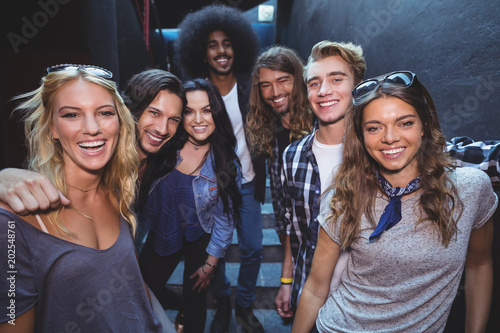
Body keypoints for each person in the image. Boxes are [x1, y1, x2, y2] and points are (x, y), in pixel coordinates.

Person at [293, 70, 497, 333]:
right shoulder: (345, 196)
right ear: (362, 136)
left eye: (405, 123)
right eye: (374, 128)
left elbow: (479, 263)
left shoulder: (469, 189)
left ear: (424, 125)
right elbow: (315, 287)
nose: (389, 137)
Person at [0, 65, 162, 332]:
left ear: (119, 122)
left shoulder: (119, 195)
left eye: (105, 113)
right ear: (52, 128)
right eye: (72, 115)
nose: (92, 128)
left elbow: (132, 285)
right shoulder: (13, 221)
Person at [175, 5, 264, 332]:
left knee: (253, 247)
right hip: (212, 185)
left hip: (249, 183)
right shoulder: (195, 93)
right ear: (201, 51)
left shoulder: (250, 88)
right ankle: (223, 299)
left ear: (236, 47)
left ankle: (244, 305)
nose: (221, 50)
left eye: (227, 42)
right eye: (212, 44)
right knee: (217, 252)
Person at [0, 68, 185, 214]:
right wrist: (4, 178)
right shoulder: (98, 155)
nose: (162, 129)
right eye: (154, 113)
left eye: (173, 120)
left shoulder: (161, 161)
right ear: (128, 112)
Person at [139, 79, 242, 333]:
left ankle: (186, 312)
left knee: (195, 303)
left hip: (200, 237)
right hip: (160, 234)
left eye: (206, 110)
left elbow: (225, 219)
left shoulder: (226, 163)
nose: (198, 119)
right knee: (140, 294)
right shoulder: (161, 146)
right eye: (189, 111)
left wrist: (210, 265)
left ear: (216, 112)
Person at [278, 41, 366, 318]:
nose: (324, 90)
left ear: (358, 85)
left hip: (363, 304)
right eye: (314, 83)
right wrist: (286, 281)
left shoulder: (380, 150)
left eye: (336, 79)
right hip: (310, 295)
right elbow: (291, 226)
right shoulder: (291, 156)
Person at [246, 45, 313, 242]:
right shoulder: (267, 129)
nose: (275, 92)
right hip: (289, 230)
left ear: (299, 80)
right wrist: (282, 230)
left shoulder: (320, 125)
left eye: (283, 81)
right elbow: (277, 189)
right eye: (265, 85)